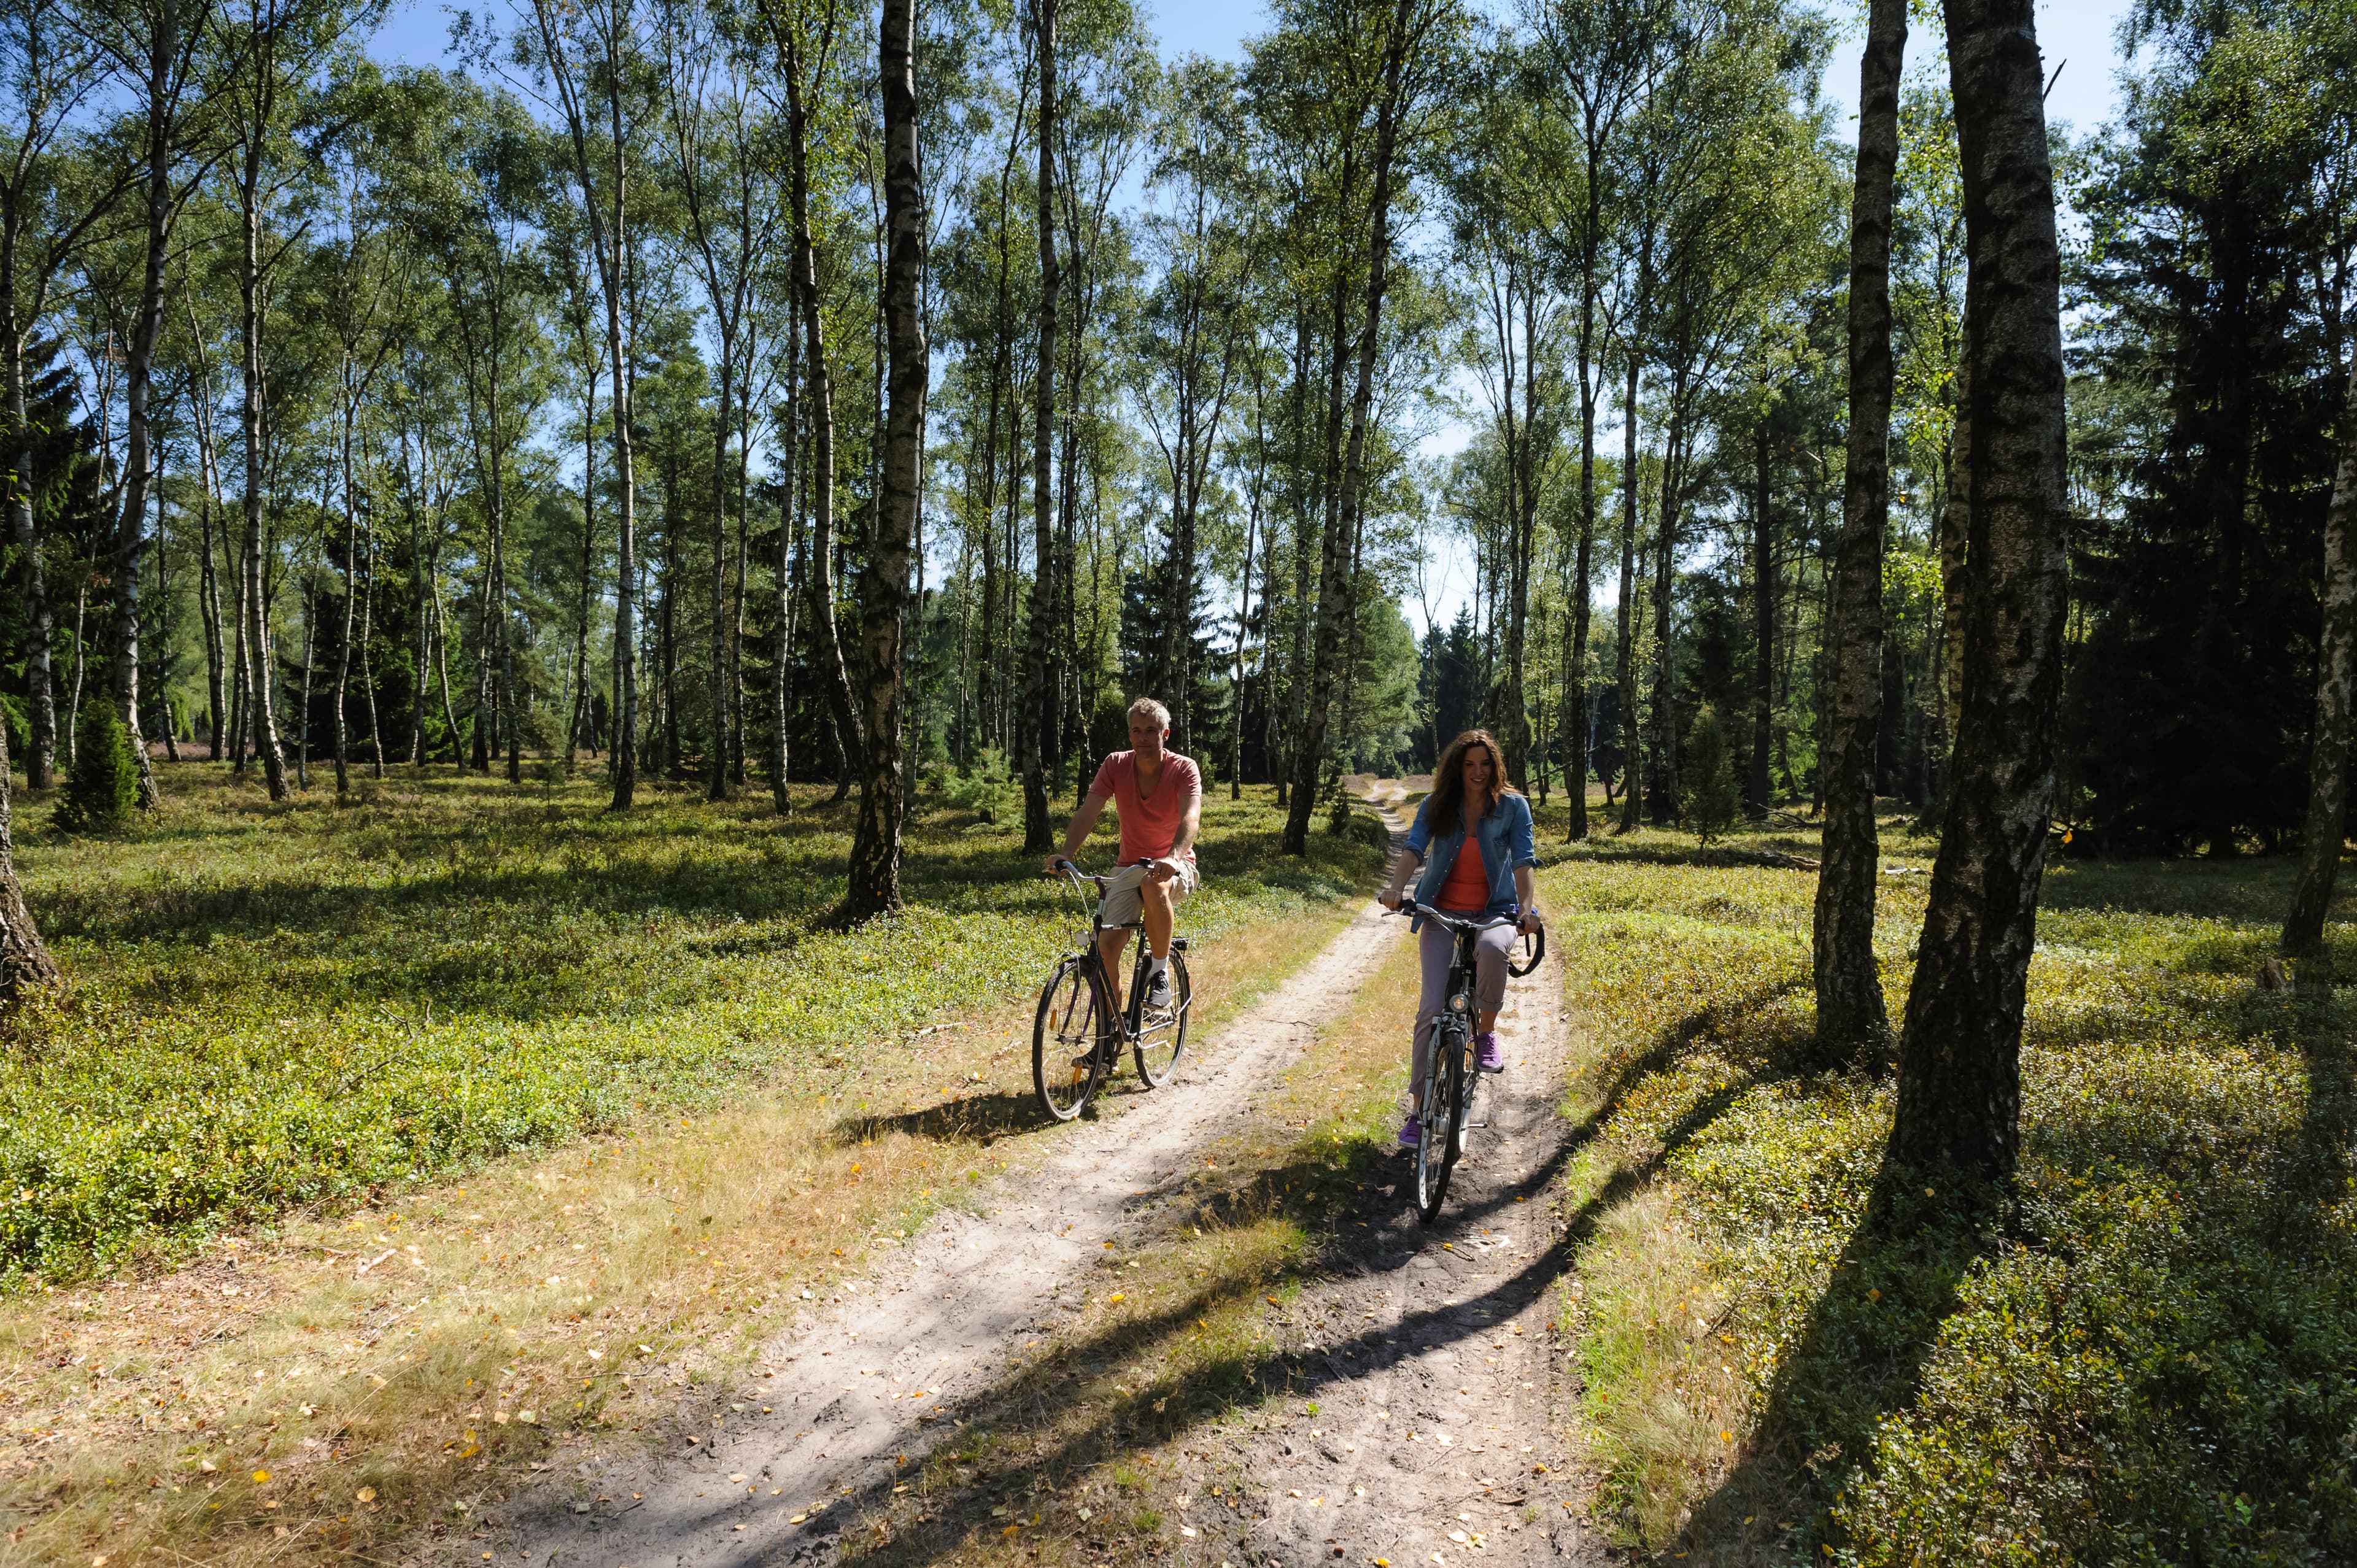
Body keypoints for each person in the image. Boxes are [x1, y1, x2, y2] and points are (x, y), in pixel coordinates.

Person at [1379, 728, 1541, 1149]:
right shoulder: (1438, 805)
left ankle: (1484, 1032)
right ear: (1457, 767)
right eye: (1469, 764)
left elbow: (1524, 862)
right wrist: (1397, 888)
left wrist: (1526, 909)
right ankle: (1416, 1112)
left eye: (1486, 764)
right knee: (1431, 1008)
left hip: (1495, 912)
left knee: (1492, 948)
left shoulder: (1514, 808)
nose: (1478, 772)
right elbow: (1414, 848)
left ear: (1496, 767)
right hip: (1441, 913)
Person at [1047, 697, 1202, 1013]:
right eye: (1136, 731)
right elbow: (1088, 811)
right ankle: (1109, 1042)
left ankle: (1159, 974)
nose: (1143, 738)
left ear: (1165, 734)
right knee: (1105, 951)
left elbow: (1190, 818)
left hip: (1177, 866)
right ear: (1129, 734)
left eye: (1151, 730)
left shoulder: (1184, 768)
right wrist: (1066, 853)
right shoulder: (1116, 764)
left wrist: (1173, 858)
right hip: (1128, 868)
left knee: (1153, 885)